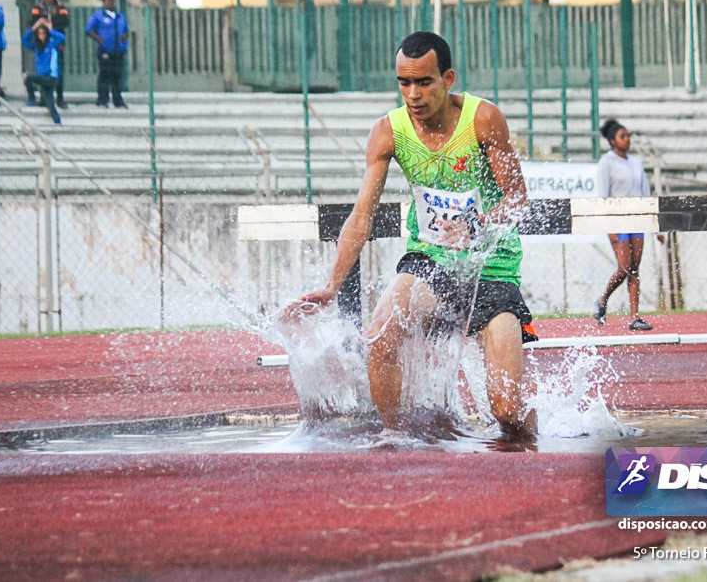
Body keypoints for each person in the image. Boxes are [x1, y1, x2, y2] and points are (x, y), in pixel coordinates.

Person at [283, 31, 538, 439]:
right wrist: (332, 286)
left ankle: (533, 445)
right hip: (430, 261)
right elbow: (361, 216)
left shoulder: (483, 119)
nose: (413, 94)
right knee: (380, 335)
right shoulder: (388, 131)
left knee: (505, 409)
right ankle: (396, 439)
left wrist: (477, 224)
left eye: (424, 82)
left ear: (448, 78)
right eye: (404, 83)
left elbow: (518, 199)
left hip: (491, 266)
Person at [592, 119, 662, 331]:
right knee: (624, 268)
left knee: (634, 268)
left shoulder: (636, 163)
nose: (627, 140)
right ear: (613, 141)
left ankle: (635, 316)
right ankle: (603, 300)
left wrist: (655, 226)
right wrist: (609, 227)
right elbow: (603, 196)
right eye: (623, 136)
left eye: (628, 136)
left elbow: (646, 194)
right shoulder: (607, 163)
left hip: (637, 218)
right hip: (618, 220)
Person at [84, 0, 129, 108]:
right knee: (104, 75)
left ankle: (118, 100)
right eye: (108, 0)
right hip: (105, 50)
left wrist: (123, 41)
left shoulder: (120, 16)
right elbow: (88, 29)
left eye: (112, 0)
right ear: (104, 2)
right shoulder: (98, 16)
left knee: (117, 76)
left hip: (118, 51)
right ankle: (102, 100)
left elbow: (126, 31)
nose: (111, 2)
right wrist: (99, 39)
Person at [30, 0, 70, 109]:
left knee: (58, 70)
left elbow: (65, 21)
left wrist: (50, 23)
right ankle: (43, 98)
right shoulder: (39, 6)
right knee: (42, 71)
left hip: (56, 43)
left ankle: (60, 98)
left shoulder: (60, 6)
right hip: (42, 42)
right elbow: (33, 20)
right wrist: (43, 23)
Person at [21, 18, 64, 125]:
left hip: (51, 77)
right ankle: (58, 123)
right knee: (50, 104)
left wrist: (51, 29)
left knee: (27, 76)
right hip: (43, 78)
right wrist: (34, 27)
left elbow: (62, 38)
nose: (41, 36)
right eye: (39, 33)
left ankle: (31, 98)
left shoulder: (52, 44)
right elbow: (24, 40)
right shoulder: (36, 46)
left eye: (44, 33)